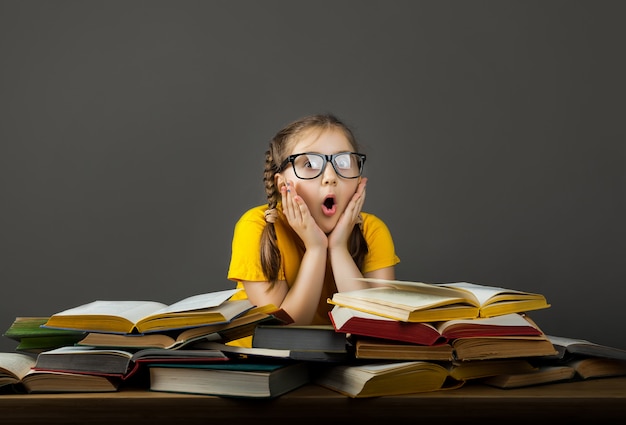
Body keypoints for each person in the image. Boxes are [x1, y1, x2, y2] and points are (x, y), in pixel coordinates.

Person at [227, 113, 400, 333]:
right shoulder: (257, 227)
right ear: (282, 184)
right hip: (260, 363)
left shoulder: (372, 230)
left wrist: (338, 248)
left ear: (358, 178)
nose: (330, 176)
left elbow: (375, 325)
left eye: (344, 162)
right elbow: (285, 330)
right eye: (309, 163)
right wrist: (316, 249)